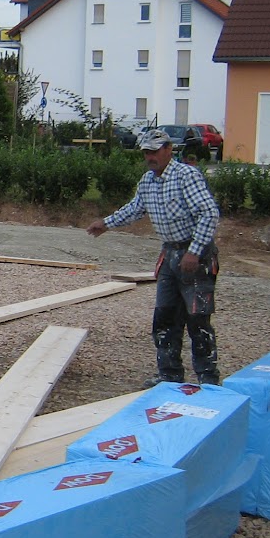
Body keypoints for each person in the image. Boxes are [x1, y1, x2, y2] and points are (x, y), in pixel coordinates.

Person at [86, 128, 222, 386]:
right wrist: (106, 223)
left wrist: (194, 251)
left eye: (155, 151)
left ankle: (208, 380)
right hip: (169, 253)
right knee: (165, 317)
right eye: (146, 152)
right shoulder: (148, 181)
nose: (150, 157)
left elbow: (209, 214)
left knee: (197, 319)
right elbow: (136, 208)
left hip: (196, 255)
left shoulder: (185, 176)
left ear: (169, 150)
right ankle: (169, 376)